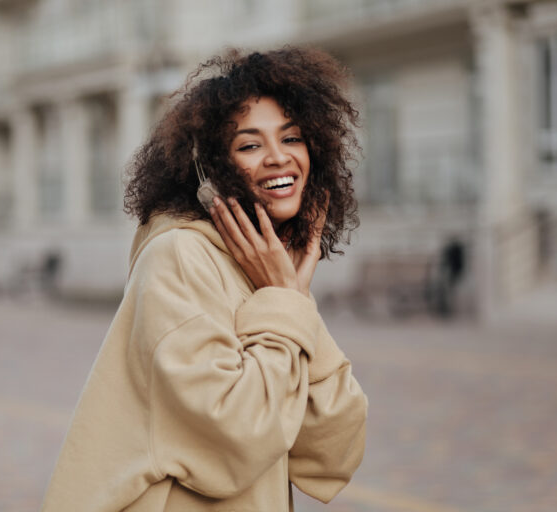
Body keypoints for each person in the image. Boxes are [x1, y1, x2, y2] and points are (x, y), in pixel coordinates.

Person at [42, 47, 368, 512]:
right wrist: (283, 298)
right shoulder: (180, 255)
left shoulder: (265, 270)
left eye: (292, 138)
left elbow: (333, 451)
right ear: (211, 169)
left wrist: (292, 298)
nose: (279, 158)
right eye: (250, 145)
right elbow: (237, 435)